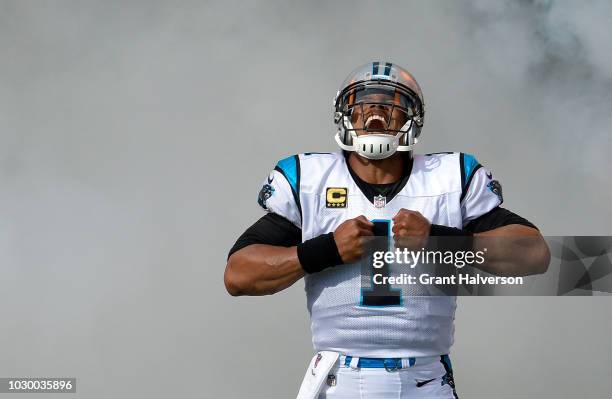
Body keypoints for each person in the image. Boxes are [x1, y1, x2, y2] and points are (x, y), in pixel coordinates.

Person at [224, 62, 550, 398]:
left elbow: (534, 253)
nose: (375, 111)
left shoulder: (449, 176)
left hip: (425, 380)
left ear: (412, 118)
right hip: (340, 380)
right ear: (345, 114)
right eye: (364, 102)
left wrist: (440, 240)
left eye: (389, 103)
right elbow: (238, 274)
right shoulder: (310, 179)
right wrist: (326, 250)